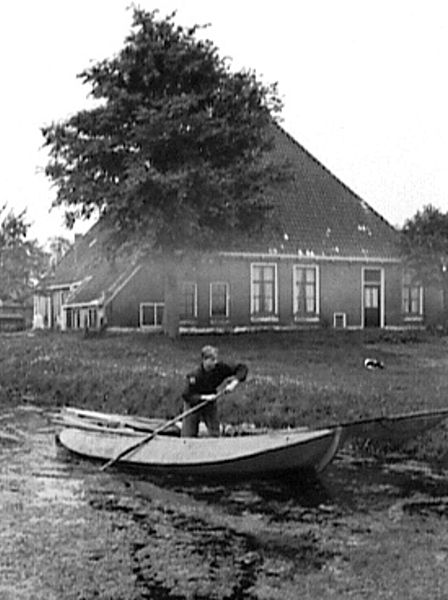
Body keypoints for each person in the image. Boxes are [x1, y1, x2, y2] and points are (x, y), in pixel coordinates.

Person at [181, 345, 248, 437]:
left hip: (210, 402)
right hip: (193, 404)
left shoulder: (219, 369)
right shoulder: (195, 375)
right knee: (187, 435)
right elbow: (186, 395)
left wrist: (234, 383)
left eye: (215, 359)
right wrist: (204, 397)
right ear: (204, 360)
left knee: (215, 433)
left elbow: (242, 368)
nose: (215, 362)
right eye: (212, 360)